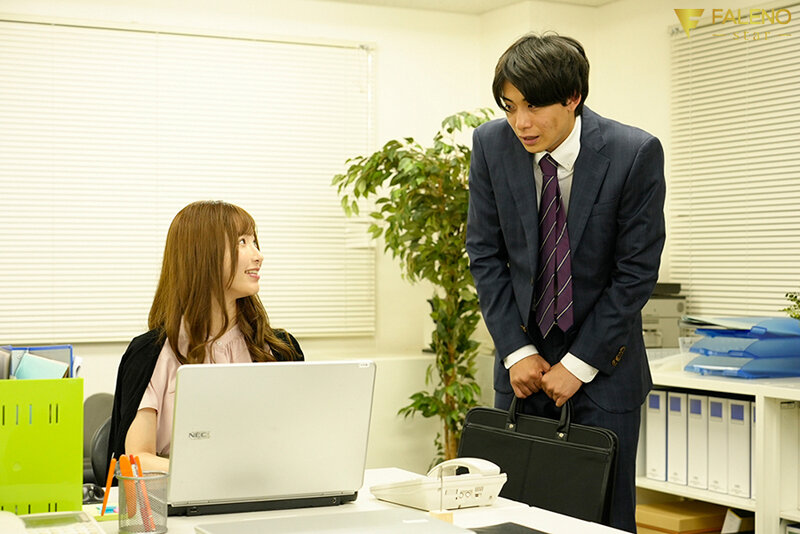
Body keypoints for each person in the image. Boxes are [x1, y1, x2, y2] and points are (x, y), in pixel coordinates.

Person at [465, 32, 665, 532]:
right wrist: (515, 351)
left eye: (534, 106)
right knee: (512, 520)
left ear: (573, 97)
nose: (521, 123)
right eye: (510, 106)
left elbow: (635, 272)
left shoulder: (633, 152)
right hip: (521, 376)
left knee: (602, 522)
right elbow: (485, 254)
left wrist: (578, 364)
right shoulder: (491, 145)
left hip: (604, 378)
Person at [107, 200, 303, 473]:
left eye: (254, 241)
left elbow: (297, 444)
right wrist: (211, 473)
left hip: (264, 488)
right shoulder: (151, 354)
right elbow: (135, 459)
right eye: (242, 242)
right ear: (202, 256)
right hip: (179, 496)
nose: (258, 255)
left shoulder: (279, 349)